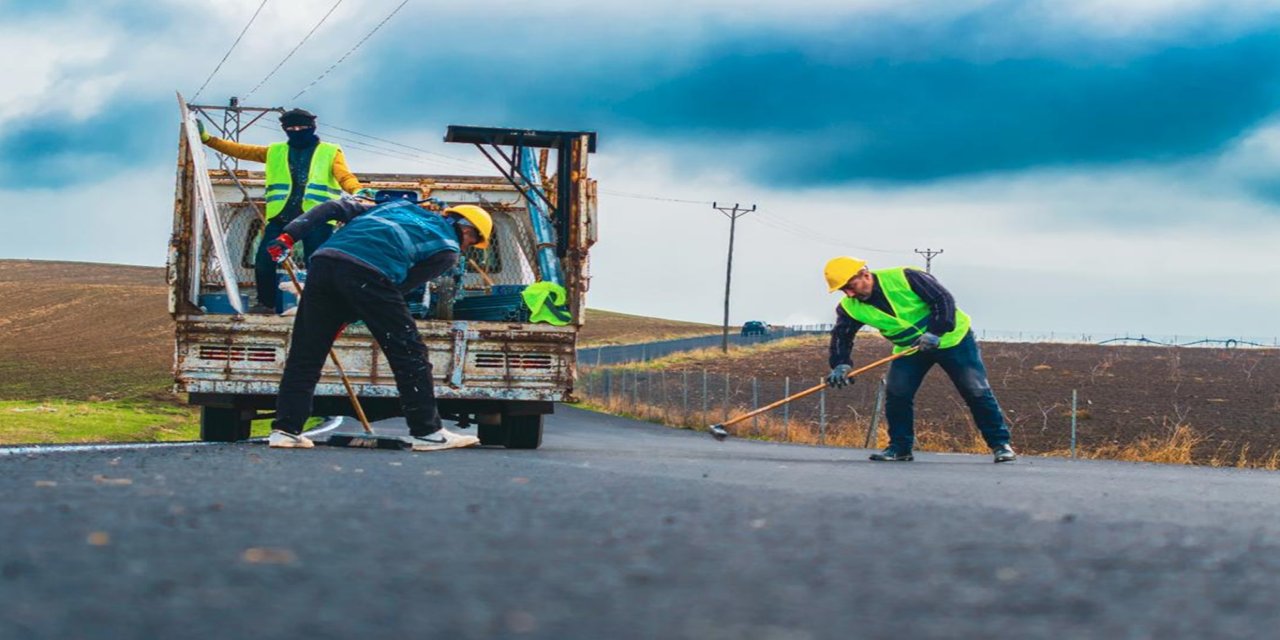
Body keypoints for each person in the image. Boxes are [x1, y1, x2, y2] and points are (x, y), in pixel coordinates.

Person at [260, 196, 495, 450]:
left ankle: (286, 430)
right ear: (467, 229)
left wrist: (288, 237)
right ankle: (427, 432)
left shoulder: (397, 206)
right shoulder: (447, 250)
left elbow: (333, 207)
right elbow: (399, 287)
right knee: (409, 353)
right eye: (473, 241)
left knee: (306, 353)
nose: (468, 246)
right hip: (371, 274)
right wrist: (355, 309)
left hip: (324, 263)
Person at [823, 257, 1016, 463]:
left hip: (952, 340)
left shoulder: (906, 277)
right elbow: (842, 336)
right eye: (844, 290)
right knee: (897, 393)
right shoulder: (850, 307)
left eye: (851, 286)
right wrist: (841, 363)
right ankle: (900, 448)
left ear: (865, 275)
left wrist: (936, 331)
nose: (850, 294)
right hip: (910, 349)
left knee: (975, 390)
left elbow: (943, 300)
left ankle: (1000, 445)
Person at [197, 108, 363, 313]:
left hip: (316, 218)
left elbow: (344, 176)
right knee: (264, 261)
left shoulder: (330, 151)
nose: (297, 131)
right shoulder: (275, 151)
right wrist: (207, 139)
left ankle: (319, 306)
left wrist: (359, 191)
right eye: (291, 128)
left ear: (312, 127)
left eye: (302, 127)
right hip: (281, 217)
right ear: (284, 129)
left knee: (319, 264)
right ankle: (265, 304)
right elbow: (240, 150)